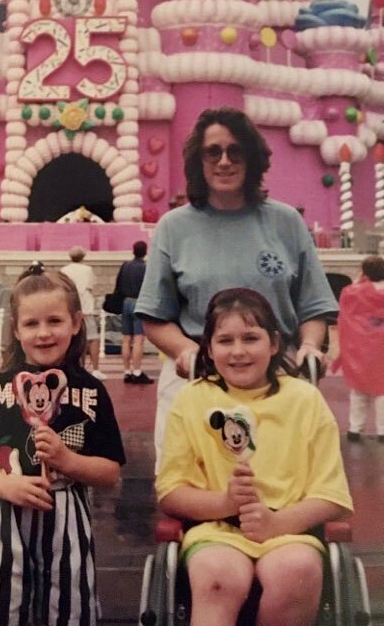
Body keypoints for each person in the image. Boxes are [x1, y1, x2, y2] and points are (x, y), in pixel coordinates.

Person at [134, 107, 337, 456]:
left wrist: (309, 347)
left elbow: (313, 306)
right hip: (197, 374)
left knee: (279, 483)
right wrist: (187, 351)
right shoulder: (174, 227)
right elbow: (154, 316)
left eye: (235, 151)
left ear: (252, 158)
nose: (224, 161)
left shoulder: (286, 222)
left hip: (277, 377)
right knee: (189, 488)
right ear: (199, 160)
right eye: (213, 151)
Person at [156, 287, 352, 626]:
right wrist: (226, 503)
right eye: (225, 341)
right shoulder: (192, 400)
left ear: (274, 343)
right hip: (215, 528)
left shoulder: (305, 400)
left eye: (250, 338)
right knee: (217, 577)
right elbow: (171, 493)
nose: (238, 352)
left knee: (296, 572)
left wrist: (275, 523)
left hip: (290, 529)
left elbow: (330, 495)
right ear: (209, 348)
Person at [0, 263, 124, 626]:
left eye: (55, 321)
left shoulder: (92, 391)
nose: (44, 333)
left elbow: (110, 473)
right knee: (0, 607)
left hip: (66, 517)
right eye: (32, 324)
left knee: (67, 608)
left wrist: (66, 459)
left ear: (76, 323)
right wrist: (6, 485)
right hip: (2, 516)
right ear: (16, 330)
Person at [337, 255, 384, 442]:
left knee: (359, 389)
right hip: (382, 349)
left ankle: (355, 428)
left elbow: (345, 300)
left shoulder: (353, 292)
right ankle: (382, 430)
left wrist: (359, 279)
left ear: (364, 272)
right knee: (382, 391)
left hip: (361, 349)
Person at [60, 245, 104, 380]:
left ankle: (73, 366)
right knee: (93, 338)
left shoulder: (64, 270)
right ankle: (95, 369)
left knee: (72, 338)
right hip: (86, 307)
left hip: (70, 307)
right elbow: (90, 286)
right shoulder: (88, 270)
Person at [114, 240, 152, 384]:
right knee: (138, 339)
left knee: (126, 339)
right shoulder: (145, 268)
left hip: (126, 302)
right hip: (139, 302)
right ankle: (137, 371)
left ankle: (126, 371)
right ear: (145, 251)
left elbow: (118, 285)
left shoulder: (125, 266)